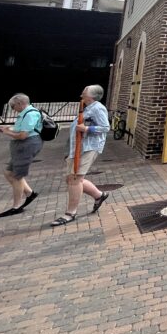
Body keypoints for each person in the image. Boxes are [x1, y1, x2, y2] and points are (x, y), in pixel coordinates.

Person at [49, 85, 111, 227]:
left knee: (75, 178)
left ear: (93, 95)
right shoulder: (86, 107)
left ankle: (70, 213)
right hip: (77, 147)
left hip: (88, 147)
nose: (82, 92)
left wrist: (87, 128)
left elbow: (106, 127)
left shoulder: (98, 108)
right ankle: (99, 195)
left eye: (86, 90)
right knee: (71, 178)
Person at [0, 93, 44, 217]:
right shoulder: (25, 114)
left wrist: (7, 132)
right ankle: (30, 193)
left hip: (27, 146)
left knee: (17, 176)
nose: (13, 109)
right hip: (21, 146)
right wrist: (7, 129)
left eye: (13, 106)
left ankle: (16, 206)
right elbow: (20, 129)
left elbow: (23, 135)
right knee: (9, 172)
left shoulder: (30, 114)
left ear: (20, 104)